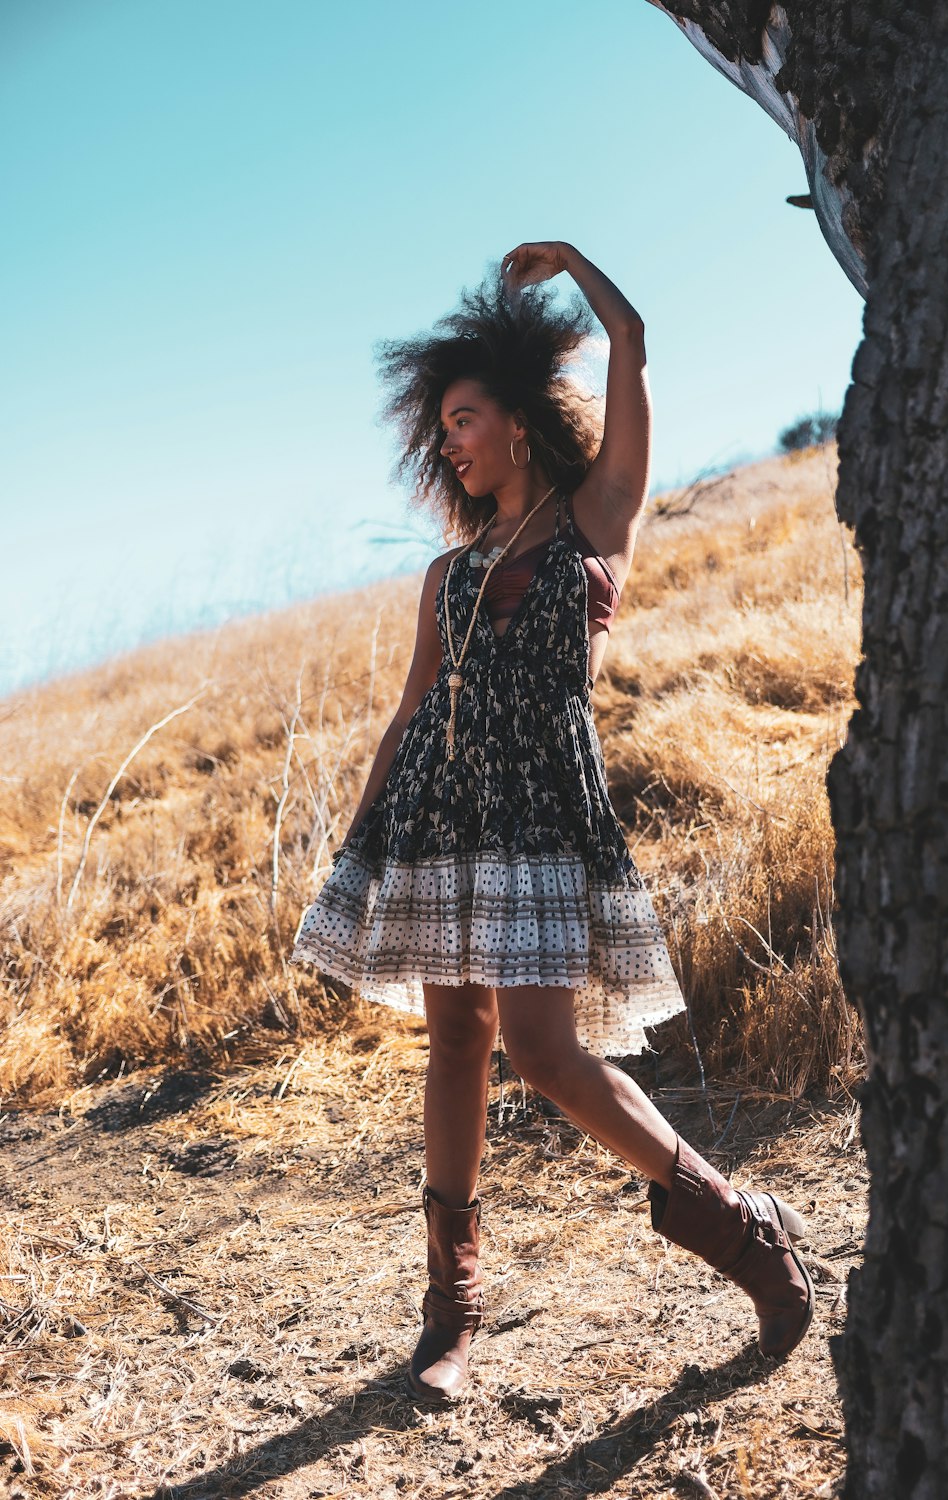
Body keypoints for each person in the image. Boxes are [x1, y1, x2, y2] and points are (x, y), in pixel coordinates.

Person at [291, 242, 814, 1402]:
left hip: (539, 816)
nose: (451, 443)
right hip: (440, 813)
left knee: (545, 1051)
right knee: (457, 1044)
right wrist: (361, 843)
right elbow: (413, 708)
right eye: (441, 429)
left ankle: (742, 1228)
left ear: (517, 421)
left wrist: (574, 262)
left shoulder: (595, 521)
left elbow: (629, 343)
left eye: (465, 418)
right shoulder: (444, 571)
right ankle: (451, 1314)